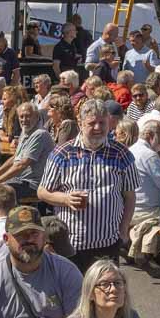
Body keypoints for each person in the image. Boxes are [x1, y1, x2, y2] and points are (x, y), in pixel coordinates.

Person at [40, 98, 135, 269]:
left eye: (102, 123)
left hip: (108, 242)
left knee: (103, 291)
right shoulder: (62, 153)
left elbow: (129, 196)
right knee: (72, 294)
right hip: (70, 244)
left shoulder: (121, 153)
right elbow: (42, 192)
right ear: (80, 123)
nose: (98, 128)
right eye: (92, 123)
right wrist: (65, 199)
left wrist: (124, 230)